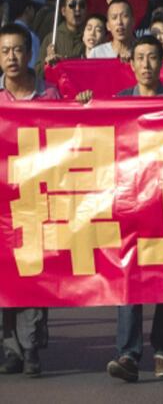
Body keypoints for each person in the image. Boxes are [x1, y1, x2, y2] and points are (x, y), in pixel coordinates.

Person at [78, 35, 163, 382]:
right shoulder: (116, 103)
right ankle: (128, 353)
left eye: (152, 58)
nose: (146, 64)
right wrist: (86, 105)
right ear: (131, 65)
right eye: (140, 58)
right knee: (127, 276)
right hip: (128, 201)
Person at [0, 24, 59, 378]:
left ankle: (32, 344)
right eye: (5, 50)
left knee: (34, 274)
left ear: (30, 53)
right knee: (4, 276)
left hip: (38, 201)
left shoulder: (50, 97)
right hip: (1, 205)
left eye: (18, 50)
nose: (11, 57)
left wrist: (81, 106)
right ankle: (10, 348)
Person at [37, 0, 88, 74]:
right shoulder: (51, 39)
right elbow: (37, 73)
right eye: (72, 5)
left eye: (82, 5)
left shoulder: (92, 37)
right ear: (63, 11)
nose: (77, 9)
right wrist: (47, 64)